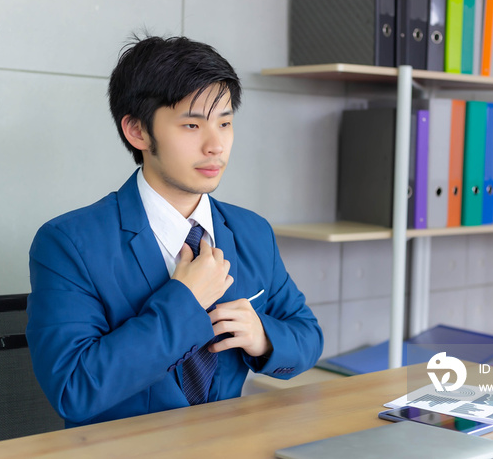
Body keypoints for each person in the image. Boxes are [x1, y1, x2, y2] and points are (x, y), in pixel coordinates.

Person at [26, 35, 323, 428]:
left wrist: (263, 336)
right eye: (191, 124)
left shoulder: (252, 231)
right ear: (138, 132)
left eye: (225, 123)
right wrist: (184, 300)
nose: (215, 145)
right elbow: (74, 388)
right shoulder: (68, 244)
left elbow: (307, 335)